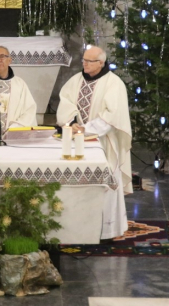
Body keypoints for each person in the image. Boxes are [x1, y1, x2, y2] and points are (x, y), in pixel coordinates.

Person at [56, 45, 132, 239]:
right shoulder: (75, 80)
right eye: (83, 60)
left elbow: (113, 116)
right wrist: (72, 122)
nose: (84, 64)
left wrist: (86, 129)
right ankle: (79, 227)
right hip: (76, 139)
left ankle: (108, 230)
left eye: (89, 61)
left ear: (101, 63)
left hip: (104, 141)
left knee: (106, 184)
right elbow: (66, 101)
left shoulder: (114, 83)